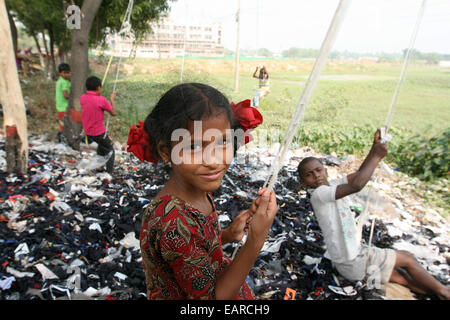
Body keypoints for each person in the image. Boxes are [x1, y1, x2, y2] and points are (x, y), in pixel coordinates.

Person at [127, 83, 278, 300]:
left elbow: (196, 249)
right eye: (195, 147)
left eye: (223, 142)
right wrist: (256, 238)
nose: (213, 160)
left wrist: (226, 235)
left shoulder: (195, 191)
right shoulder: (171, 221)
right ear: (165, 151)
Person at [297, 129, 450, 300]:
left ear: (325, 170)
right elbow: (357, 185)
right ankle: (444, 291)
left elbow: (358, 176)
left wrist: (374, 148)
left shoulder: (331, 186)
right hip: (352, 259)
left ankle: (438, 293)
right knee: (407, 259)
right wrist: (377, 156)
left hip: (347, 261)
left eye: (318, 170)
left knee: (401, 277)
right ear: (303, 183)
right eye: (309, 175)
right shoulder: (319, 194)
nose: (316, 176)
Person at [80, 76, 116, 173]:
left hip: (88, 132)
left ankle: (98, 166)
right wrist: (112, 99)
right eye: (101, 87)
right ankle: (109, 173)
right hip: (98, 132)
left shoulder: (82, 98)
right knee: (110, 149)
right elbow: (113, 113)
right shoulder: (102, 100)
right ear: (99, 87)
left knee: (101, 145)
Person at [55, 63, 71, 141]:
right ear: (60, 73)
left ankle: (62, 137)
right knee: (64, 124)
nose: (67, 74)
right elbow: (65, 95)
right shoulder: (64, 82)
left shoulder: (60, 81)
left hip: (60, 106)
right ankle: (62, 138)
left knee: (63, 123)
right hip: (64, 107)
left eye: (68, 72)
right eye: (65, 73)